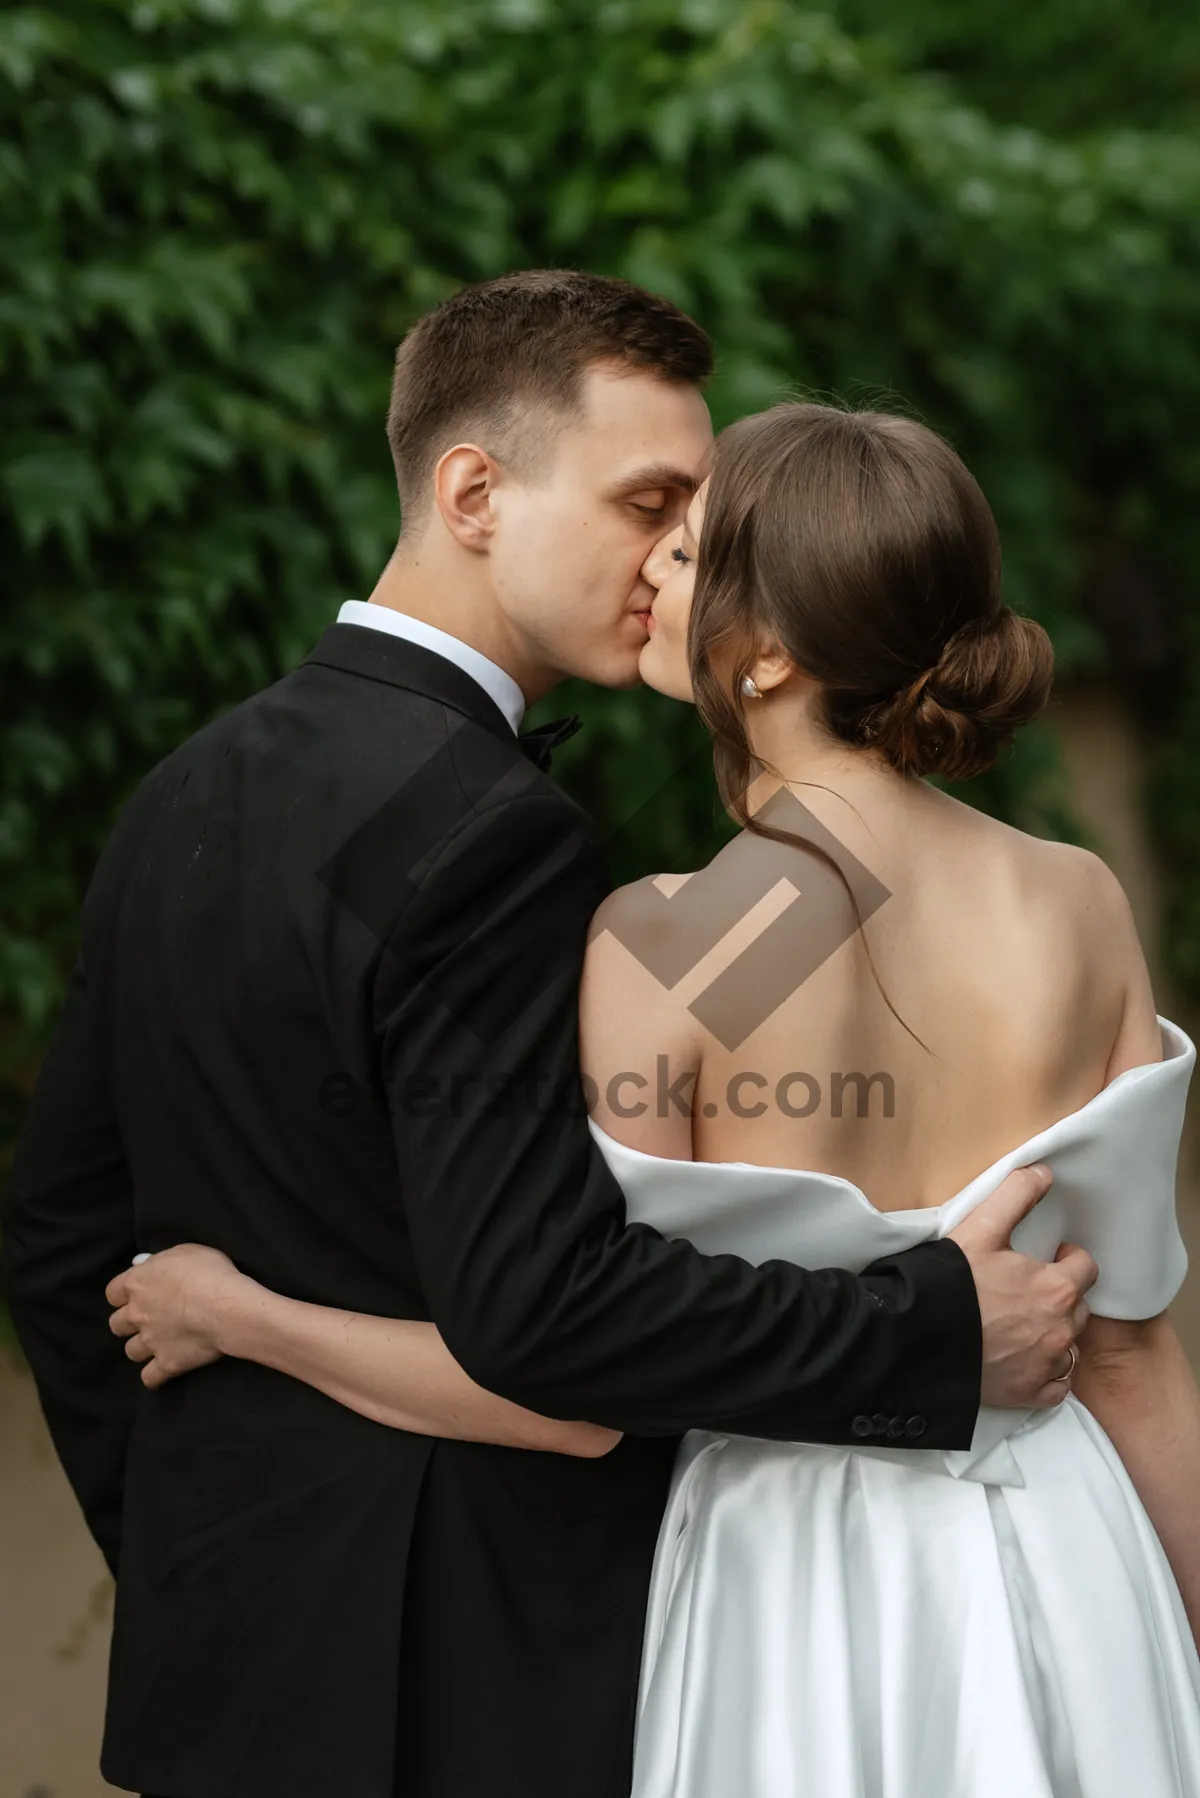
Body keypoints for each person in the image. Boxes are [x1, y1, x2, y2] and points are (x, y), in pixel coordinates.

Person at [4, 277, 1089, 1798]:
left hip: (223, 1687)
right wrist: (938, 1329)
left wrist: (209, 1542)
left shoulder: (187, 784)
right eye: (647, 501)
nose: (669, 559)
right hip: (473, 1685)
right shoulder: (499, 838)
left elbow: (60, 1240)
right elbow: (553, 1314)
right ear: (472, 492)